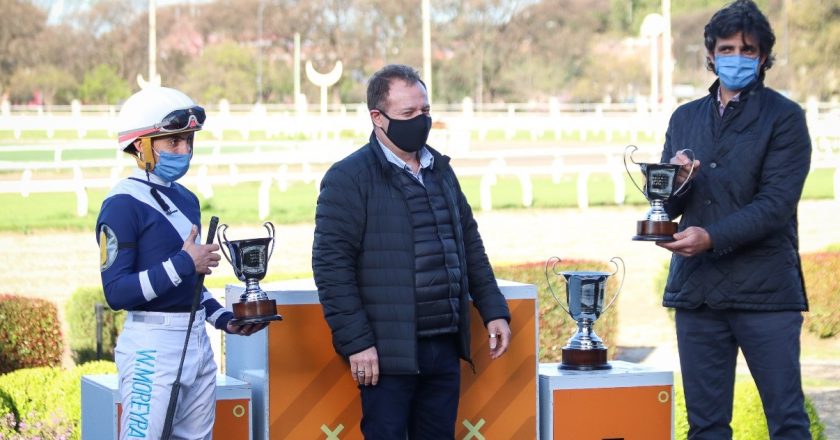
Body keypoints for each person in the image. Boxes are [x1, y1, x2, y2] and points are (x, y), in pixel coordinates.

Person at [312, 64, 512, 439]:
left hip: (443, 345)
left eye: (425, 111)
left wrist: (493, 309)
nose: (421, 120)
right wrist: (357, 343)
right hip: (386, 354)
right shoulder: (348, 178)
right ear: (378, 118)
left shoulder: (441, 170)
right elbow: (331, 268)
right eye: (408, 114)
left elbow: (469, 244)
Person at [656, 1, 812, 438]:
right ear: (710, 53)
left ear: (763, 57)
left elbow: (775, 205)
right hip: (698, 295)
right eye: (727, 48)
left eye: (748, 50)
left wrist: (710, 237)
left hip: (766, 295)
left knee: (787, 421)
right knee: (704, 426)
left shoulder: (785, 118)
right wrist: (678, 182)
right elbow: (664, 207)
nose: (737, 58)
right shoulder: (684, 117)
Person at [96, 86, 264, 440]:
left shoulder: (188, 200)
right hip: (149, 345)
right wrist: (184, 262)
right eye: (173, 142)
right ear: (141, 145)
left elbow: (191, 287)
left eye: (188, 140)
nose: (184, 150)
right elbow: (117, 292)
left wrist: (226, 321)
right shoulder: (121, 204)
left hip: (198, 341)